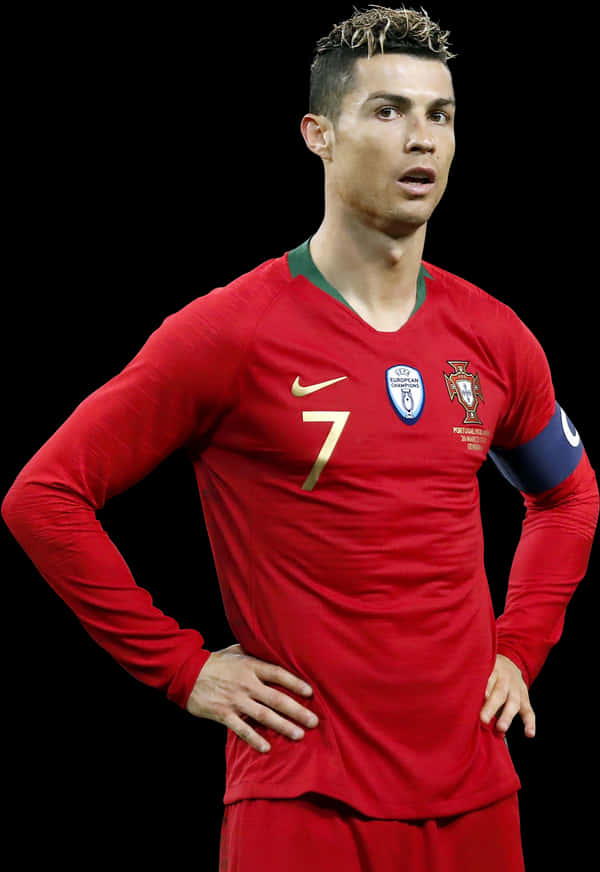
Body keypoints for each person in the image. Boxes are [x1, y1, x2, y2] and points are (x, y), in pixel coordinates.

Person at [3, 5, 598, 871]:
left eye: (440, 115)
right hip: (304, 796)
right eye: (388, 111)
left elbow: (566, 496)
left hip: (476, 790)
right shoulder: (229, 333)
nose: (421, 139)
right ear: (319, 134)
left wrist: (521, 647)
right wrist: (180, 668)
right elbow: (45, 497)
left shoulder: (493, 336)